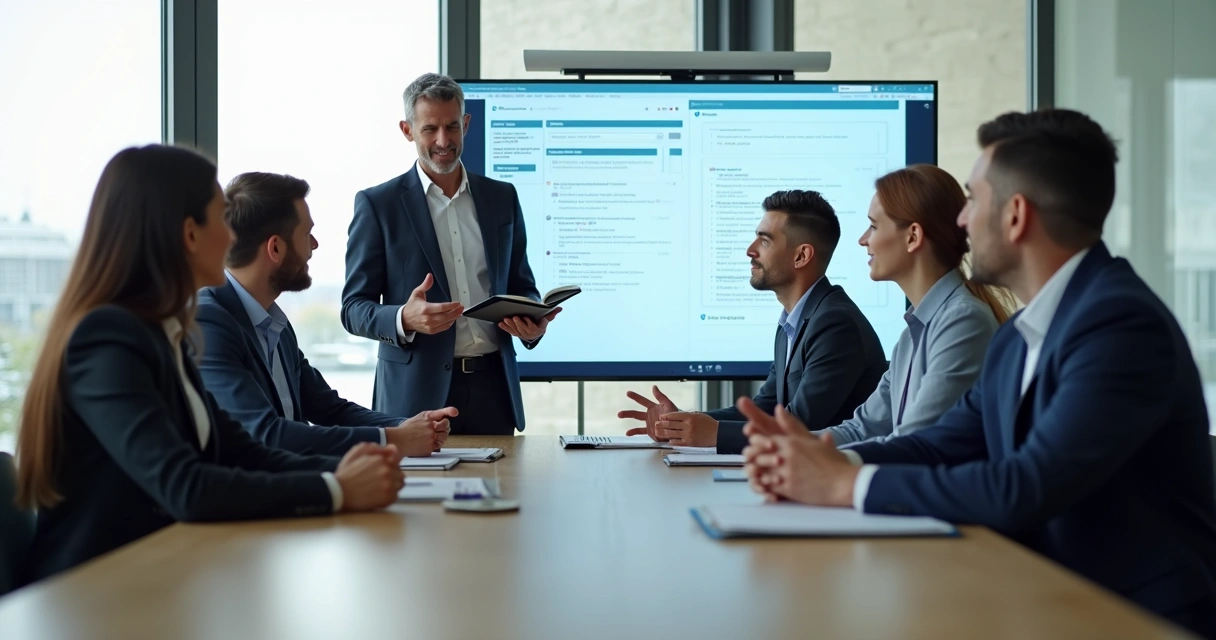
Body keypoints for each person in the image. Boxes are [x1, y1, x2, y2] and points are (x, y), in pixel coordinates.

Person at [740, 109, 1216, 637]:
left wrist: (846, 483)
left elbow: (1025, 485)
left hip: (1132, 618)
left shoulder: (1120, 327)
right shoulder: (1020, 336)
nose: (961, 222)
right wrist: (820, 460)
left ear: (1015, 216)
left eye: (973, 199)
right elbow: (939, 444)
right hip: (1046, 596)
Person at [15, 145, 405, 585]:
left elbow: (243, 452)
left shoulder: (165, 334)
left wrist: (353, 470)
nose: (233, 236)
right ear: (190, 234)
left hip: (162, 574)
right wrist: (337, 490)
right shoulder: (107, 338)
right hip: (95, 594)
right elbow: (186, 487)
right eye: (222, 217)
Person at [342, 73, 555, 435]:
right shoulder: (378, 205)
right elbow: (353, 309)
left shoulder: (502, 198)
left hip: (494, 390)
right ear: (407, 130)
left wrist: (531, 323)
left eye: (452, 126)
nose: (443, 141)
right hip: (414, 400)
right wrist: (404, 318)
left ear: (466, 124)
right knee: (420, 495)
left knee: (501, 492)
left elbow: (522, 285)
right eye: (430, 129)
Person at [196, 172, 457, 458]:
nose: (315, 245)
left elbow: (329, 409)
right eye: (307, 234)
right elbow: (266, 434)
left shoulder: (274, 324)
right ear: (276, 248)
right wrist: (394, 438)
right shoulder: (208, 323)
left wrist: (408, 426)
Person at [619, 190, 888, 454]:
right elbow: (765, 408)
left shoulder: (835, 324)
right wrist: (682, 422)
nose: (750, 250)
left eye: (765, 240)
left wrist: (714, 433)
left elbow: (801, 424)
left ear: (801, 256)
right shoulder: (794, 322)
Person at [817, 164, 1014, 446]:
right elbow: (860, 430)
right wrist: (784, 447)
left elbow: (913, 443)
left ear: (912, 236)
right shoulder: (912, 334)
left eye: (873, 226)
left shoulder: (964, 322)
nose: (863, 240)